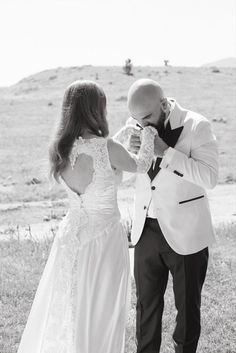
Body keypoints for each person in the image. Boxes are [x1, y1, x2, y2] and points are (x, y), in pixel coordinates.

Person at [16, 80, 158, 353]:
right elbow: (140, 164)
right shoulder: (107, 148)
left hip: (72, 236)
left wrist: (122, 135)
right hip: (104, 240)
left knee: (72, 304)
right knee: (103, 307)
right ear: (97, 109)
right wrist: (148, 134)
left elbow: (100, 156)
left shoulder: (61, 149)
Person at [116, 78, 219, 353]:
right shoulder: (136, 128)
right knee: (146, 307)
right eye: (136, 118)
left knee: (187, 309)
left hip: (187, 234)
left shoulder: (197, 125)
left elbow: (210, 177)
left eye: (147, 117)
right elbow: (125, 176)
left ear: (163, 104)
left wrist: (167, 152)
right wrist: (132, 153)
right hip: (145, 233)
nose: (142, 124)